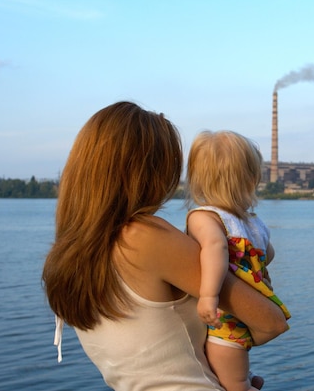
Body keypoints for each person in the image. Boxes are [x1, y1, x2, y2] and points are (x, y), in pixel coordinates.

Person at [42, 102, 288, 391]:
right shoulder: (145, 236)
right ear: (147, 171)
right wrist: (234, 349)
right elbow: (272, 322)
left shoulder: (70, 254)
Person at [185, 130, 291, 391]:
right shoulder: (253, 222)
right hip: (255, 308)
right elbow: (269, 254)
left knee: (234, 384)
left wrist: (209, 296)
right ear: (252, 179)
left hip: (223, 318)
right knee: (240, 374)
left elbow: (215, 247)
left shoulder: (204, 217)